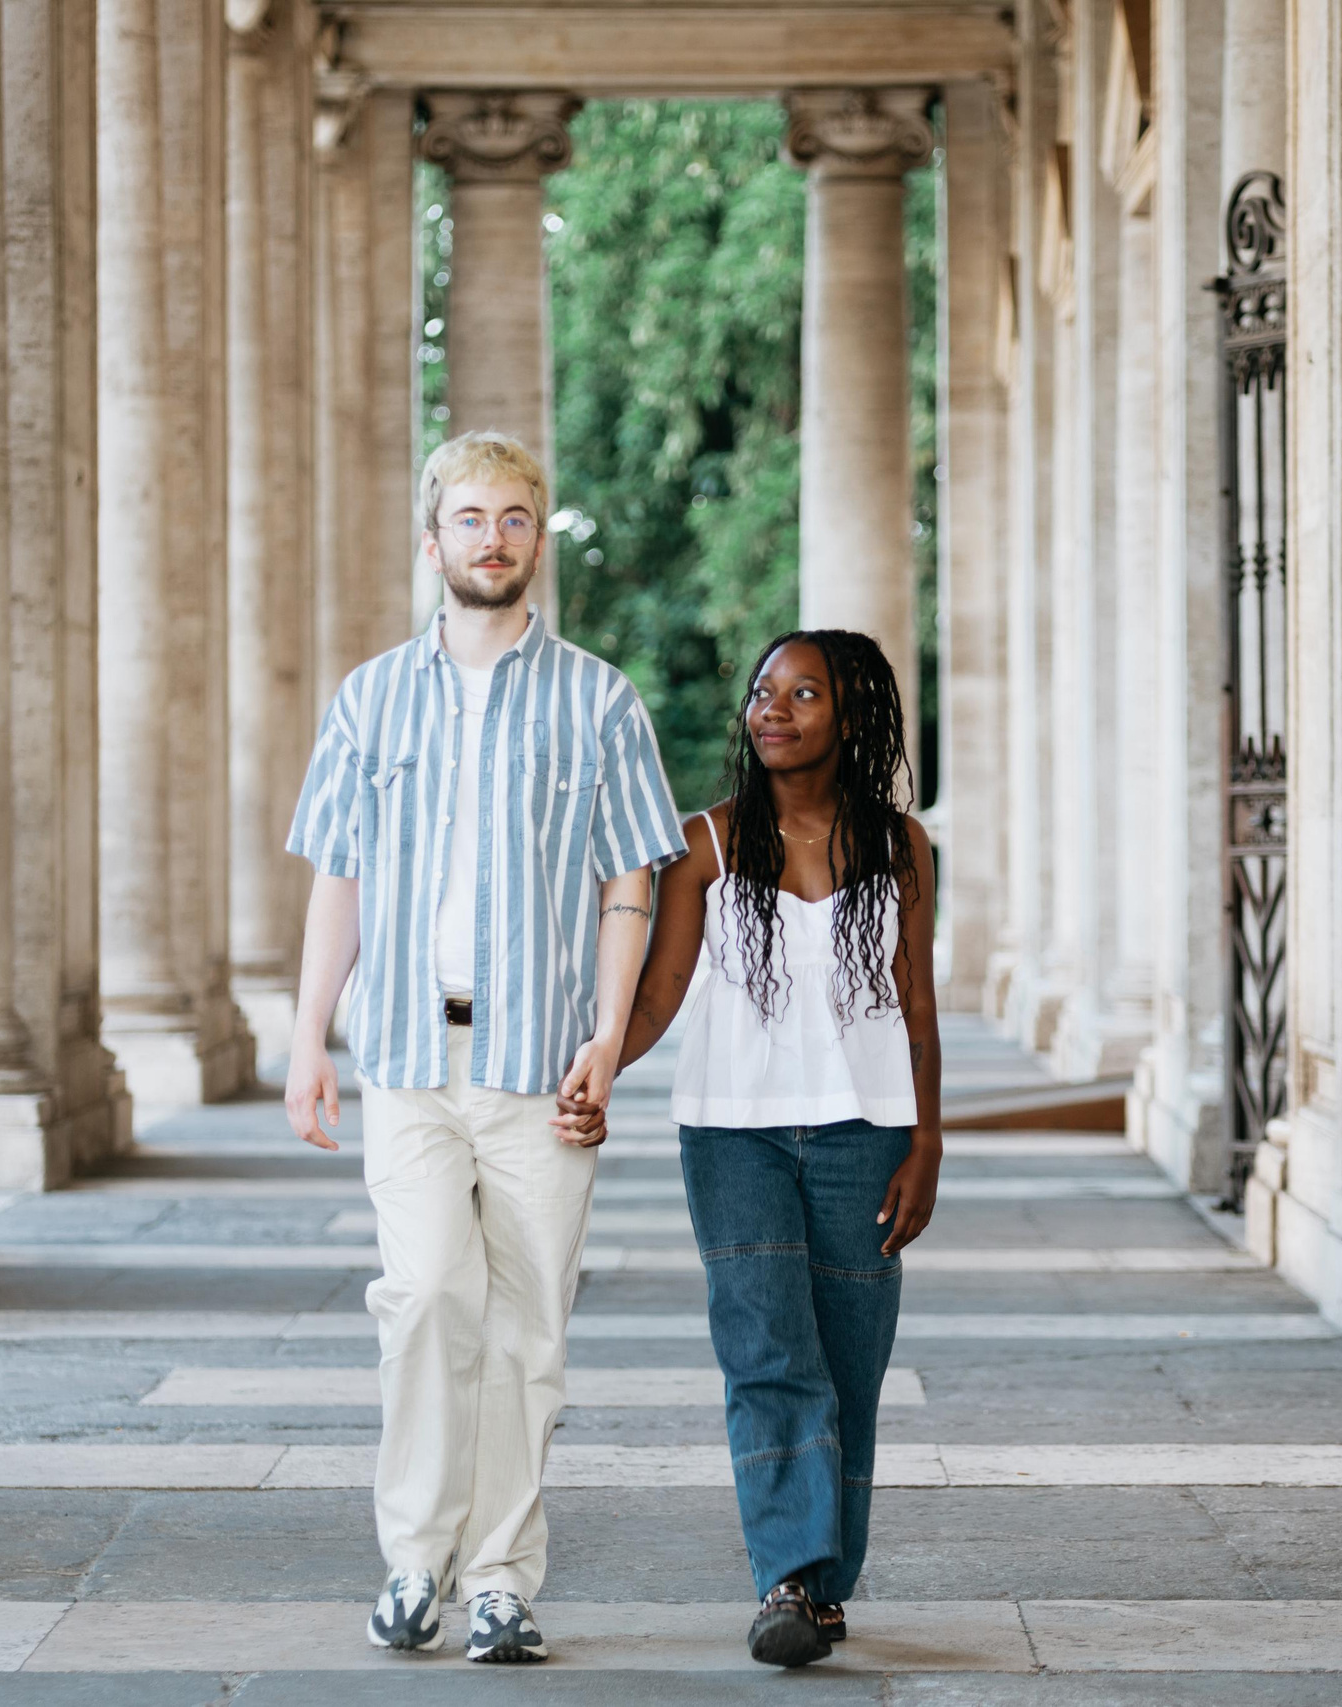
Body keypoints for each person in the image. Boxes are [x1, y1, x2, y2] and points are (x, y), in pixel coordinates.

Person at [282, 430, 687, 1664]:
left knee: (530, 1329)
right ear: (432, 539)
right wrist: (308, 1042)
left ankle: (502, 1578)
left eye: (515, 518)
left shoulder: (599, 700)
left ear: (537, 540)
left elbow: (633, 885)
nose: (493, 538)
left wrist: (608, 1042)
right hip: (406, 1055)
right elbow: (337, 881)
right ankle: (415, 1562)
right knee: (423, 1303)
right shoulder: (369, 699)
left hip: (538, 1061)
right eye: (470, 518)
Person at [609, 628, 943, 1668]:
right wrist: (588, 1069)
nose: (773, 710)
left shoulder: (900, 846)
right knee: (767, 1355)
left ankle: (823, 1589)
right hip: (733, 1137)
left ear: (854, 718)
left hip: (867, 1131)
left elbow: (918, 1004)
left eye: (803, 695)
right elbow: (659, 993)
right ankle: (788, 1577)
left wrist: (928, 1143)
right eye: (763, 691)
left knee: (850, 1363)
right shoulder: (704, 842)